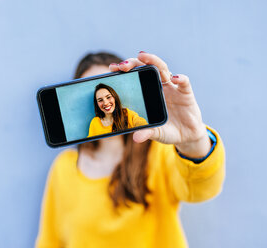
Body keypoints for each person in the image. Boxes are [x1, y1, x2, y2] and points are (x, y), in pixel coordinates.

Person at [35, 51, 225, 248]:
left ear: (115, 97)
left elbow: (202, 190)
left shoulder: (156, 151)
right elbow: (49, 242)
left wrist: (193, 140)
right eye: (99, 99)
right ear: (96, 104)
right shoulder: (63, 168)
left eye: (108, 95)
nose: (105, 102)